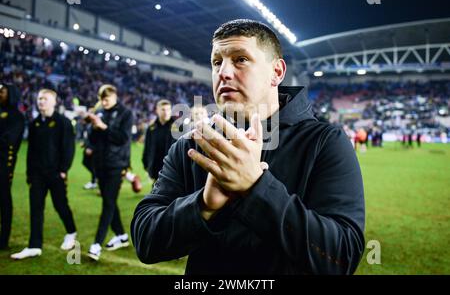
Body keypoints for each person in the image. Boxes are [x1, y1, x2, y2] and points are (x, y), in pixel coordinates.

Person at [131, 19, 365, 274]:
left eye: (240, 59)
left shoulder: (325, 142)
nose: (224, 73)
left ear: (276, 72)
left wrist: (256, 187)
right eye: (217, 62)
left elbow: (342, 256)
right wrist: (203, 206)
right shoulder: (191, 145)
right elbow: (146, 242)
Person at [11, 88, 77, 260]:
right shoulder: (34, 124)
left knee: (60, 206)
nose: (41, 102)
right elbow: (31, 152)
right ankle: (34, 246)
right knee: (36, 209)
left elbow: (69, 148)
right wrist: (29, 174)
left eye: (45, 99)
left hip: (56, 175)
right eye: (40, 98)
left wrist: (63, 170)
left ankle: (71, 232)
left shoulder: (63, 122)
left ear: (54, 102)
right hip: (37, 176)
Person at [86, 85, 132, 261]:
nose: (104, 102)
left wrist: (103, 127)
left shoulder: (126, 113)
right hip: (100, 163)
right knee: (109, 201)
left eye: (107, 99)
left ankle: (96, 244)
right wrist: (93, 127)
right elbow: (92, 138)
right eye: (102, 99)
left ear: (115, 96)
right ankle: (121, 235)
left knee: (108, 204)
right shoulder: (99, 111)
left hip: (116, 164)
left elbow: (123, 138)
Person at [0, 83, 25, 249]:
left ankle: (4, 239)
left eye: (2, 91)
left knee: (3, 199)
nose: (0, 94)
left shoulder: (16, 115)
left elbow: (11, 140)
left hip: (4, 161)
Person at [142, 99, 176, 182]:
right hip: (155, 169)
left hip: (171, 169)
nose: (166, 112)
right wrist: (146, 165)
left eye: (168, 109)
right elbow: (147, 148)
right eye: (163, 109)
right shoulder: (151, 128)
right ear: (157, 110)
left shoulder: (177, 128)